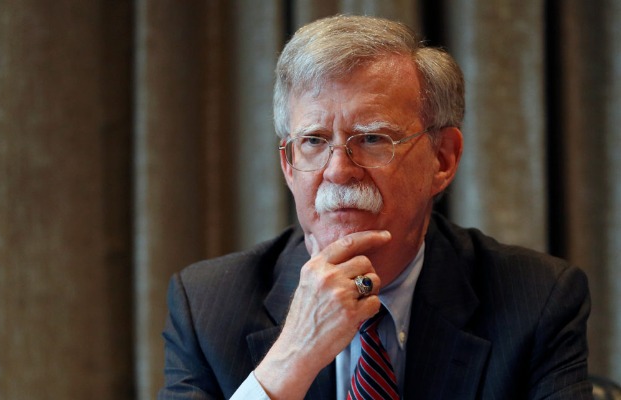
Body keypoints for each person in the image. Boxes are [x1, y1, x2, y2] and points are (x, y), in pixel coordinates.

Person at [158, 14, 592, 400]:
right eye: (314, 141)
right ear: (288, 166)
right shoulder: (208, 306)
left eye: (371, 138)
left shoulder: (536, 299)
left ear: (442, 159)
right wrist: (291, 360)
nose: (338, 170)